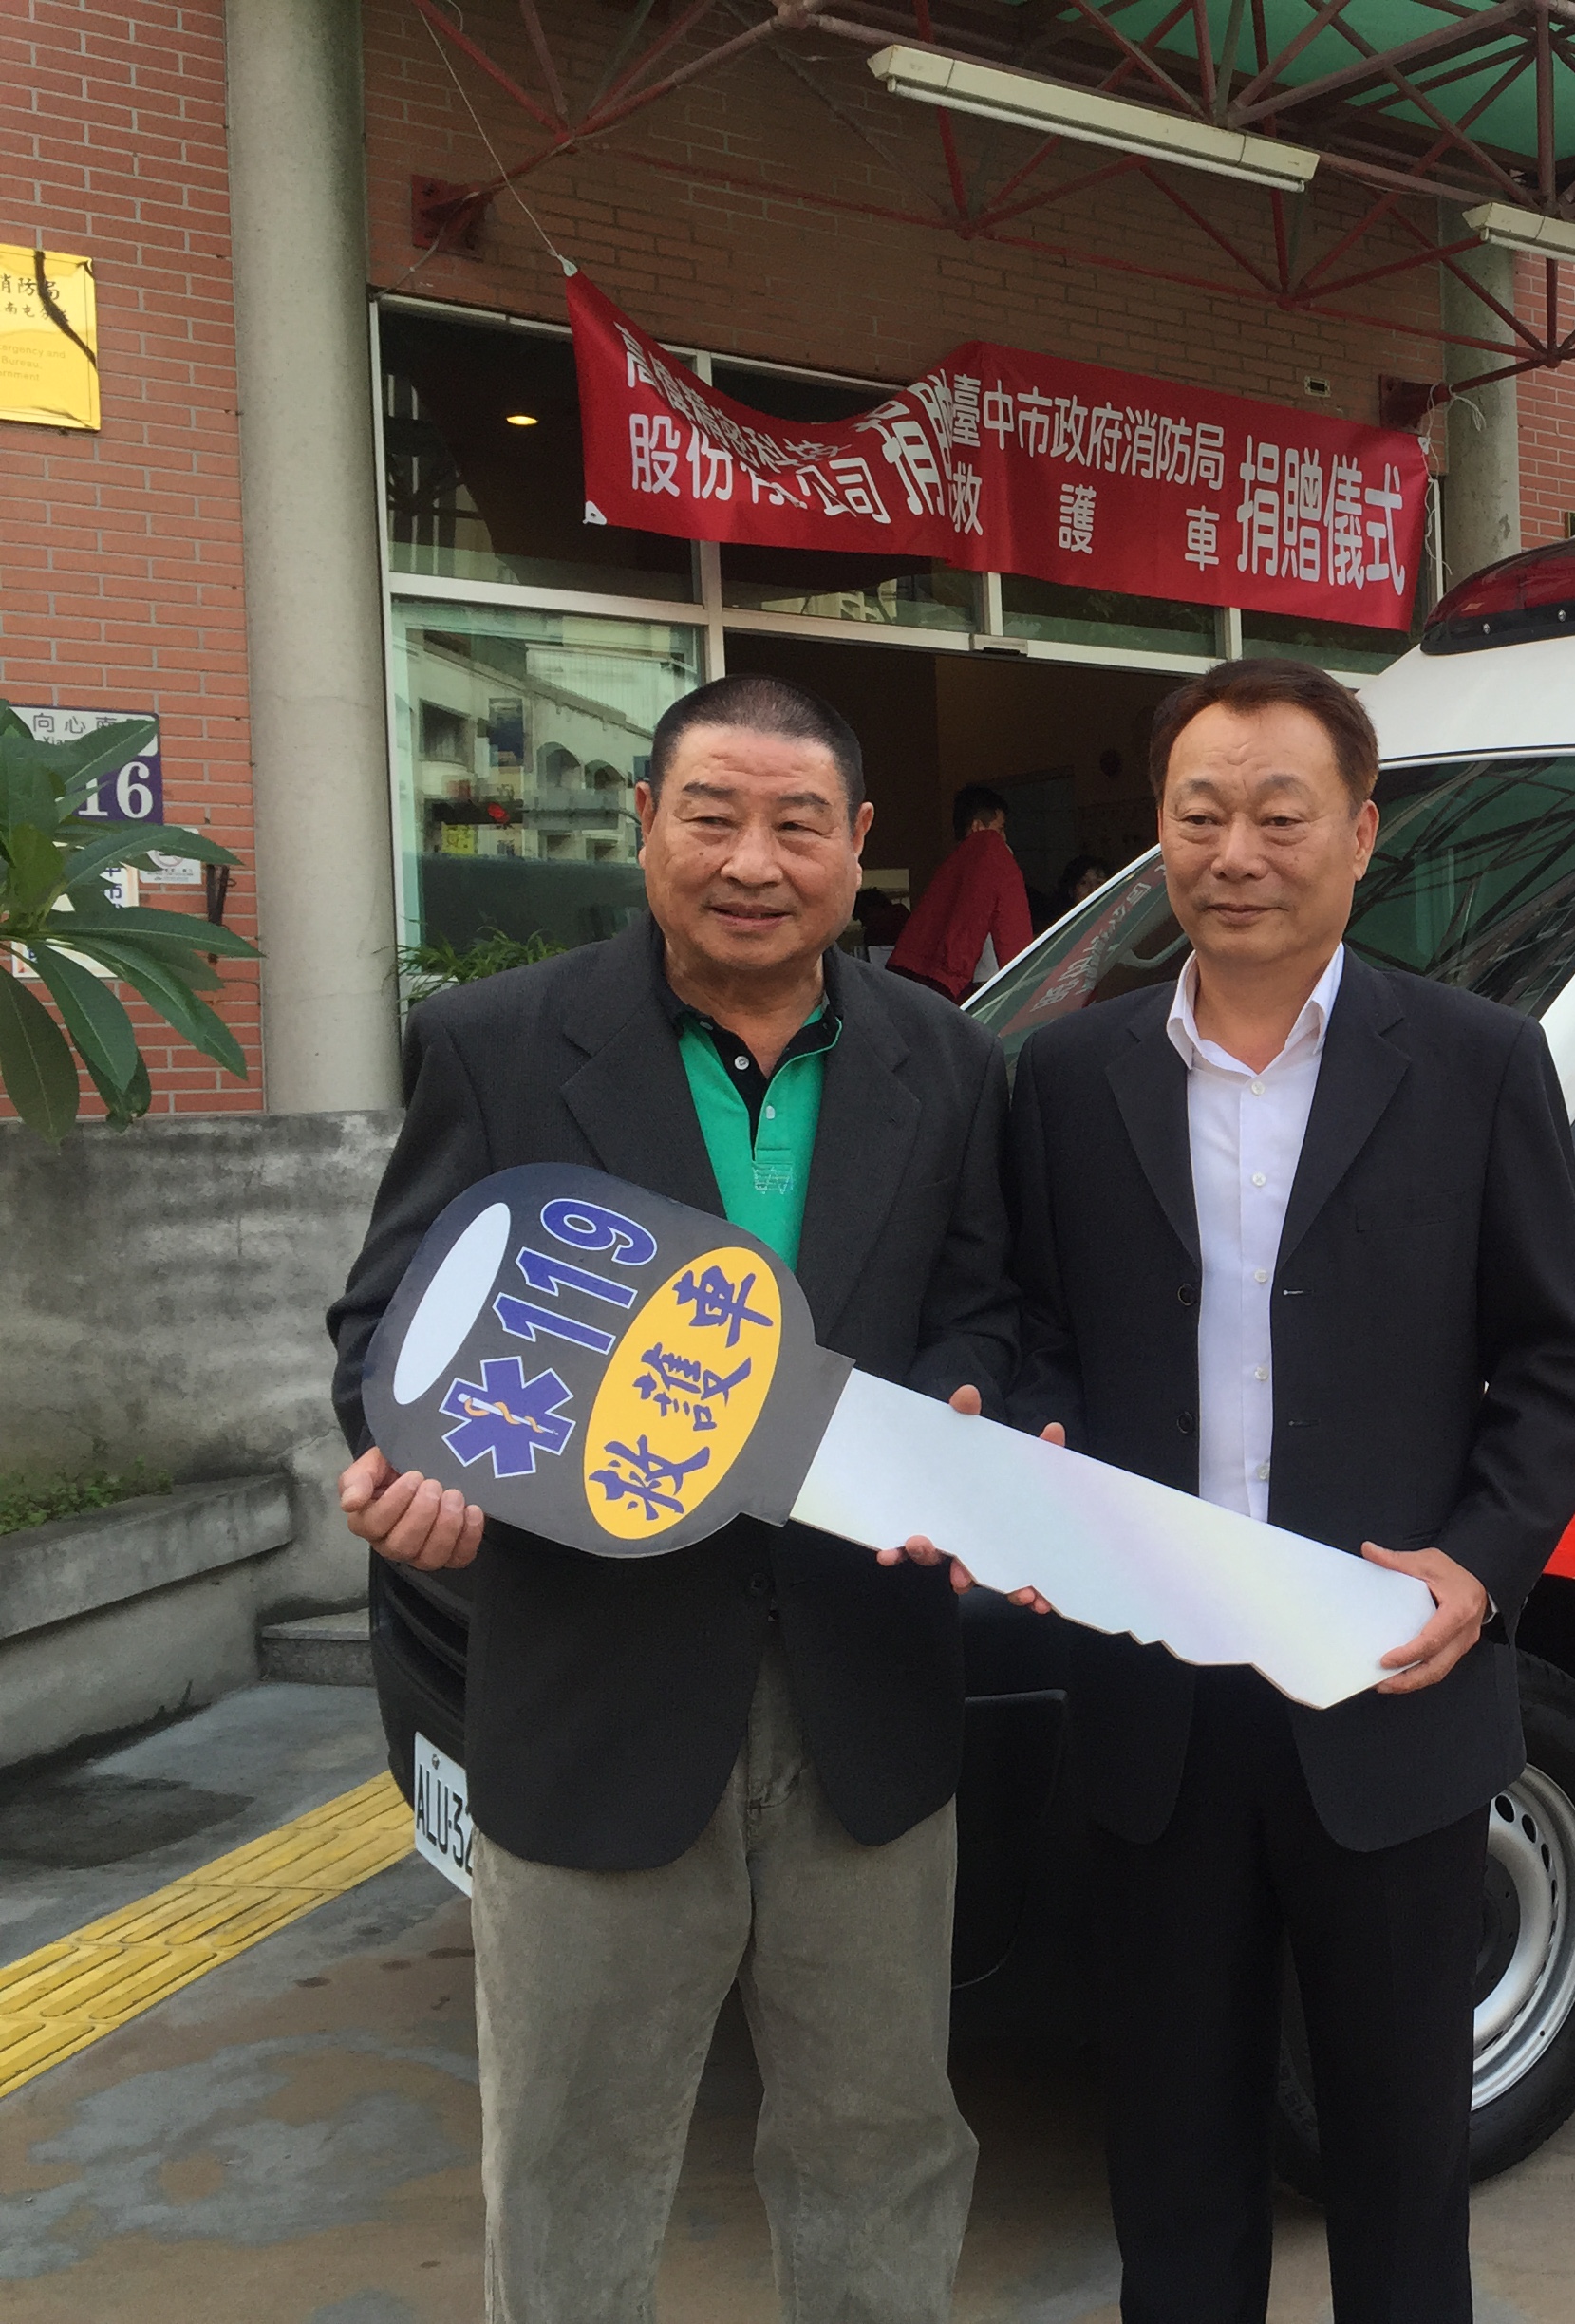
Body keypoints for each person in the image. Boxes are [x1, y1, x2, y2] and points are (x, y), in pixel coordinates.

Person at [327, 672, 1016, 2323]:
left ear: (859, 842)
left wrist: (971, 1405)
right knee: (572, 2153)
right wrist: (412, 1449)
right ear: (643, 824)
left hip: (867, 1689)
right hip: (597, 1683)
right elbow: (392, 1321)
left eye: (797, 824)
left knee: (881, 2140)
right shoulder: (501, 1044)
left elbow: (983, 1305)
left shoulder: (946, 1057)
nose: (751, 861)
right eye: (711, 815)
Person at [999, 659, 1575, 2323]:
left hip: (1388, 1694)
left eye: (1280, 814)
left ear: (1358, 834)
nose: (1236, 852)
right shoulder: (1069, 1078)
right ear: (1157, 834)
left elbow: (1554, 1364)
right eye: (1199, 814)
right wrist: (1035, 1458)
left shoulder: (1477, 1064)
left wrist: (1477, 1567)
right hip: (1156, 1700)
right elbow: (1035, 1332)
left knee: (1402, 2170)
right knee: (1172, 2165)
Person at [888, 781, 1036, 1002]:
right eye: (1000, 828)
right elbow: (1012, 932)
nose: (1003, 838)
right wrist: (1025, 987)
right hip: (971, 984)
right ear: (977, 827)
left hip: (924, 981)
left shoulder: (948, 867)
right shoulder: (992, 850)